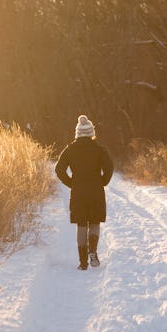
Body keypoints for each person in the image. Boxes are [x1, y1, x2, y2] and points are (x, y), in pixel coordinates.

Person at [55, 114, 114, 270]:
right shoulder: (100, 149)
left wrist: (71, 183)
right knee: (94, 222)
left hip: (79, 192)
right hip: (96, 190)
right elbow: (109, 167)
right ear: (91, 132)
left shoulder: (70, 149)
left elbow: (59, 169)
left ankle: (82, 263)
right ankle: (93, 252)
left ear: (78, 133)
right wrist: (103, 181)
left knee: (82, 224)